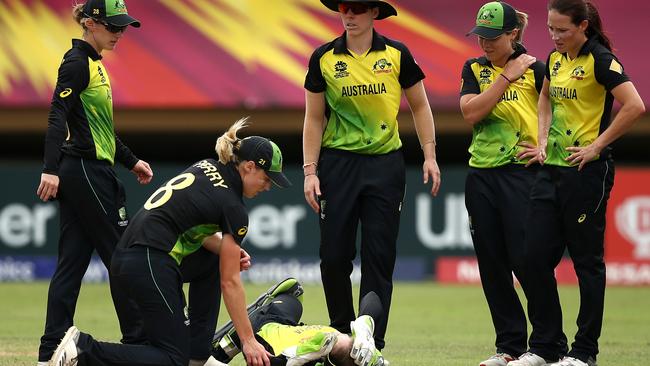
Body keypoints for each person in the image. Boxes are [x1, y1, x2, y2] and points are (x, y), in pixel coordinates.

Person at [49, 119, 292, 366]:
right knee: (173, 359)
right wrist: (248, 340)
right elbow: (230, 282)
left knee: (213, 260)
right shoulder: (233, 207)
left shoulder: (206, 167)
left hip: (130, 258)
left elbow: (192, 225)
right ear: (249, 167)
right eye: (267, 178)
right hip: (149, 263)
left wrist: (226, 249)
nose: (268, 186)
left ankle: (197, 356)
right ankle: (82, 348)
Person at [302, 0, 441, 350]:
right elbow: (314, 119)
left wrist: (430, 155)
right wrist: (310, 171)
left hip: (385, 165)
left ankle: (371, 342)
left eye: (358, 9)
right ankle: (340, 337)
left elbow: (420, 106)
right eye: (344, 8)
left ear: (374, 13)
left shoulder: (397, 54)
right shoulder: (323, 57)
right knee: (334, 257)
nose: (349, 15)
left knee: (379, 257)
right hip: (338, 165)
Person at [518, 1, 646, 366]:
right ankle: (545, 347)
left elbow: (634, 105)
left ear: (583, 26)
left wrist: (597, 145)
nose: (555, 37)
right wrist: (542, 141)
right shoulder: (556, 60)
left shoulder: (601, 60)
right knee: (531, 259)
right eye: (550, 29)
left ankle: (584, 352)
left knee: (587, 264)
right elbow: (544, 97)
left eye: (562, 30)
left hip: (586, 173)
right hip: (551, 170)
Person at [35, 1, 153, 364]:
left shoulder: (95, 65)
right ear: (89, 23)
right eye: (113, 27)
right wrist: (50, 168)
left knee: (71, 261)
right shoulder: (76, 63)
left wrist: (131, 161)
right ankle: (138, 339)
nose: (119, 34)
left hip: (88, 169)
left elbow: (101, 130)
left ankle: (51, 347)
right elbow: (58, 114)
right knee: (121, 254)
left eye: (122, 28)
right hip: (84, 170)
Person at [459, 2, 550, 366]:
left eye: (492, 37)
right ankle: (510, 347)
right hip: (481, 174)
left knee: (528, 261)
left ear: (513, 34)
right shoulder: (474, 68)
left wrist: (545, 145)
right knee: (492, 265)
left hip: (522, 173)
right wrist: (505, 76)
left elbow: (559, 114)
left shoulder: (538, 68)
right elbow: (470, 111)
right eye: (480, 36)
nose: (484, 44)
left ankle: (546, 346)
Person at [207, 278, 389, 366]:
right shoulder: (337, 342)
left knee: (203, 360)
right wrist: (364, 331)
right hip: (278, 324)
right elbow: (373, 299)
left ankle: (224, 346)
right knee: (293, 290)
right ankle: (225, 345)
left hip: (267, 336)